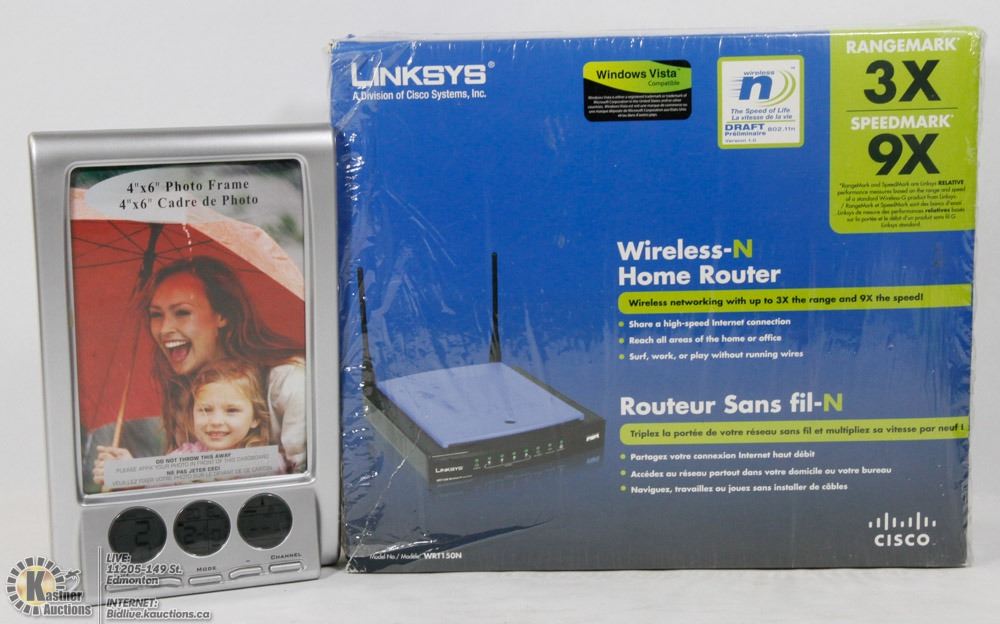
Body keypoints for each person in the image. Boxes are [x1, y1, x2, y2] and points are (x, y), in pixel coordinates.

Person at [92, 256, 305, 487]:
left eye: (182, 312)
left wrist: (143, 472)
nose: (164, 329)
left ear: (222, 315)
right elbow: (181, 484)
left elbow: (298, 474)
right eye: (156, 315)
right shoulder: (185, 390)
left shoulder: (290, 381)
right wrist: (131, 477)